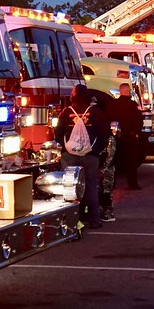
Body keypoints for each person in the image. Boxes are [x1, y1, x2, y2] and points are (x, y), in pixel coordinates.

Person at [56, 84, 111, 229]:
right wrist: (96, 149)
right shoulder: (95, 112)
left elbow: (58, 133)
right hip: (90, 155)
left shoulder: (66, 112)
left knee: (70, 187)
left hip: (69, 156)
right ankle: (94, 220)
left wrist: (65, 147)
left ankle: (72, 221)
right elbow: (105, 133)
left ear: (73, 96)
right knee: (91, 186)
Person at [108, 82, 144, 190]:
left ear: (120, 91)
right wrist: (136, 133)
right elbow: (139, 121)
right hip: (130, 137)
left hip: (116, 137)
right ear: (128, 91)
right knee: (131, 162)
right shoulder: (133, 105)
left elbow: (107, 119)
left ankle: (111, 184)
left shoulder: (112, 105)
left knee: (114, 161)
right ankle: (132, 184)